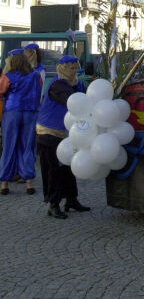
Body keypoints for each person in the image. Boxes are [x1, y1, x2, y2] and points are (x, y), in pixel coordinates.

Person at [35, 55, 90, 219]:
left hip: (67, 132)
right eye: (70, 68)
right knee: (53, 169)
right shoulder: (57, 85)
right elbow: (71, 101)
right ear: (62, 69)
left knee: (68, 167)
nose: (73, 71)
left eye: (75, 68)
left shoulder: (77, 84)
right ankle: (53, 204)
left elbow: (86, 97)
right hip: (49, 132)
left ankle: (71, 200)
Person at [0, 49, 41, 195]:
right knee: (27, 145)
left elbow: (1, 90)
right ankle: (28, 183)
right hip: (30, 112)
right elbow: (39, 92)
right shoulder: (35, 76)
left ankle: (4, 183)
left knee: (9, 145)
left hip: (12, 111)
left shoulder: (8, 76)